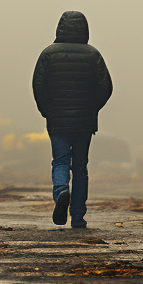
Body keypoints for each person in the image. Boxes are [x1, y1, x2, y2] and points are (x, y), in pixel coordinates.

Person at [32, 11, 112, 228]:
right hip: (84, 122)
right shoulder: (93, 55)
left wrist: (47, 110)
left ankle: (61, 193)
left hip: (57, 120)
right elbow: (106, 88)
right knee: (80, 168)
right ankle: (77, 216)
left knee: (60, 160)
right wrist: (92, 108)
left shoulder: (48, 54)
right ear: (85, 29)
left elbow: (38, 86)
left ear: (60, 28)